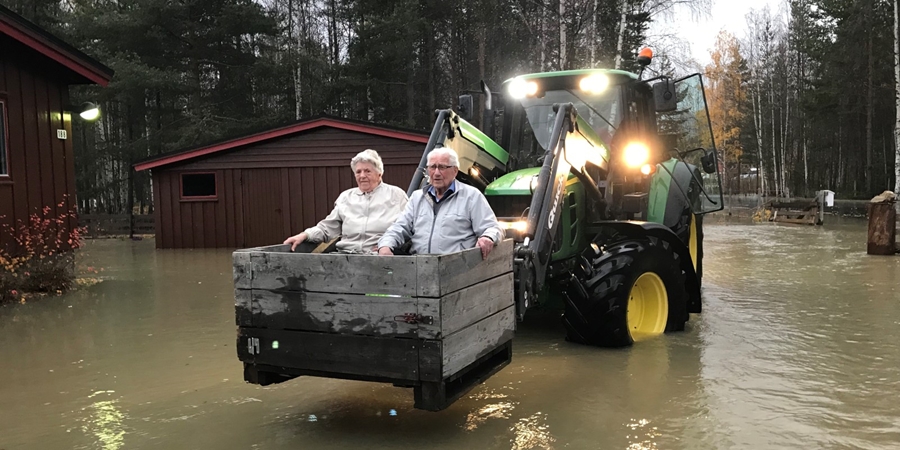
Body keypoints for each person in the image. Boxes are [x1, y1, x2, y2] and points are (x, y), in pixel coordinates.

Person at [377, 147, 502, 259]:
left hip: (458, 269)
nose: (436, 173)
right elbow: (399, 227)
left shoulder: (471, 196)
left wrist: (488, 237)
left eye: (442, 167)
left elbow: (491, 227)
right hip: (419, 266)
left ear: (455, 171)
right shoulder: (417, 197)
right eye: (432, 167)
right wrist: (385, 245)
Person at [284, 149, 408, 253]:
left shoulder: (396, 195)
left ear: (379, 174)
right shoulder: (346, 197)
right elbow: (327, 227)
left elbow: (408, 227)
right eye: (358, 172)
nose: (362, 175)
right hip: (345, 257)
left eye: (367, 171)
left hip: (380, 258)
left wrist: (389, 246)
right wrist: (305, 235)